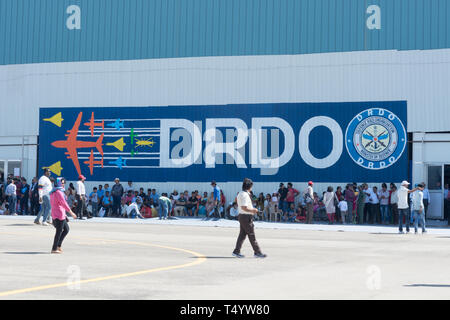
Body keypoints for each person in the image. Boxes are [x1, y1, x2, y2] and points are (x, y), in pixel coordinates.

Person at [232, 178, 266, 258]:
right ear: (249, 186)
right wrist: (253, 210)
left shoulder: (241, 193)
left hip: (243, 216)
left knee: (242, 235)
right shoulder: (244, 194)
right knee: (251, 235)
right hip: (246, 217)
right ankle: (257, 252)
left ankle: (236, 251)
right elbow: (244, 207)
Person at [49, 178, 77, 254]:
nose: (63, 184)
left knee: (66, 229)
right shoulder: (58, 192)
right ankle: (54, 248)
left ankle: (58, 245)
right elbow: (63, 203)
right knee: (59, 231)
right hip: (59, 214)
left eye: (64, 183)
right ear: (58, 183)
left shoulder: (53, 192)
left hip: (58, 213)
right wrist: (71, 213)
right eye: (62, 183)